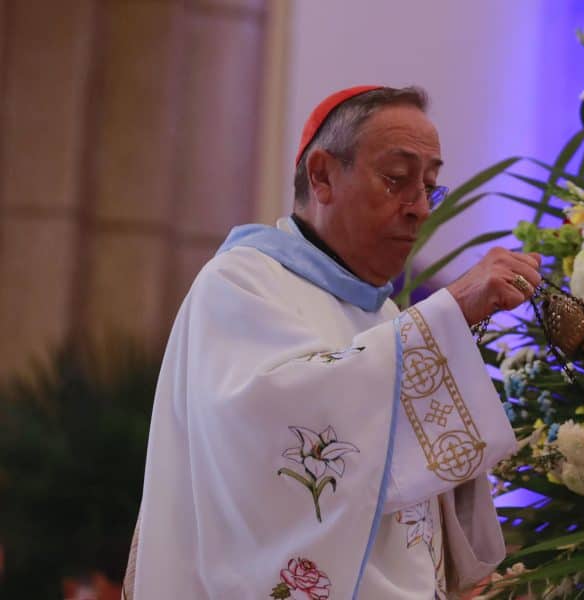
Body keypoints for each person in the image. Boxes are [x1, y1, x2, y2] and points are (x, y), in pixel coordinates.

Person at [125, 85, 542, 599]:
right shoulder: (240, 283)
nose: (418, 208)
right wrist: (450, 311)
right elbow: (271, 435)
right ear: (321, 175)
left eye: (430, 186)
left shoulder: (386, 316)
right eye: (397, 180)